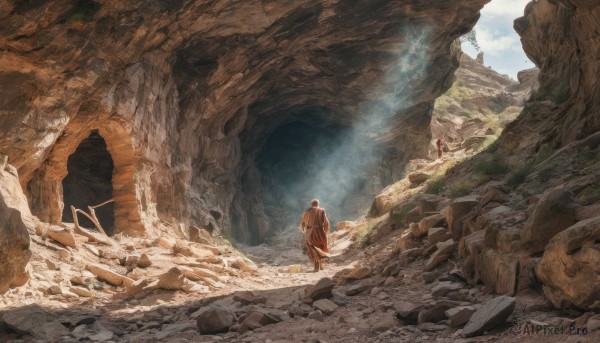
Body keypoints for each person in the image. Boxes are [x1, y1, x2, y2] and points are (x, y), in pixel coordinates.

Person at [300, 199, 330, 272]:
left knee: (313, 248)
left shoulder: (308, 211)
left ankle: (316, 267)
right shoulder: (322, 211)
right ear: (318, 204)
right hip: (320, 232)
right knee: (321, 247)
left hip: (311, 232)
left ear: (311, 204)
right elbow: (326, 222)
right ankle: (321, 265)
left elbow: (303, 221)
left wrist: (303, 228)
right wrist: (326, 231)